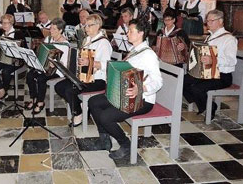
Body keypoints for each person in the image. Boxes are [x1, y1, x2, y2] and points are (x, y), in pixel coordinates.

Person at [88, 19, 163, 160]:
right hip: (124, 94)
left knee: (106, 116)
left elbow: (158, 81)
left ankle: (126, 144)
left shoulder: (148, 55)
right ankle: (104, 140)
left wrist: (140, 89)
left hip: (142, 100)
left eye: (130, 31)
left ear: (141, 33)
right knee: (93, 102)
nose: (127, 33)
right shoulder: (134, 50)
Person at [55, 14, 112, 127]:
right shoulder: (87, 40)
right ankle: (80, 106)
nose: (86, 28)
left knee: (69, 90)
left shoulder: (103, 43)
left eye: (89, 26)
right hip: (85, 77)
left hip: (98, 80)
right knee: (59, 86)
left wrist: (90, 63)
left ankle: (78, 113)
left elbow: (108, 65)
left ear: (97, 26)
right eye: (85, 26)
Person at [183, 9, 237, 119]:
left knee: (197, 88)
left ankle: (210, 106)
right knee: (182, 81)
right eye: (207, 21)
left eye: (211, 21)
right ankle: (201, 103)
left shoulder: (229, 39)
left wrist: (213, 60)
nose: (208, 23)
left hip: (222, 76)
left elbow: (232, 60)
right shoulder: (210, 36)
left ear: (221, 21)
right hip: (207, 71)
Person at [25, 18, 69, 114]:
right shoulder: (48, 39)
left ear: (60, 30)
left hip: (57, 71)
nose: (51, 31)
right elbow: (42, 51)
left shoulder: (65, 45)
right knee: (29, 75)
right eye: (50, 28)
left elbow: (65, 65)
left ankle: (40, 102)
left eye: (54, 29)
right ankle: (34, 98)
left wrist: (55, 64)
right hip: (44, 67)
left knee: (41, 79)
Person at [0, 14, 26, 100]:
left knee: (5, 72)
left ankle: (4, 89)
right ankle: (1, 90)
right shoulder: (1, 34)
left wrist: (17, 46)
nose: (4, 25)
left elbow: (25, 49)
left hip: (15, 60)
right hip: (2, 59)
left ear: (11, 23)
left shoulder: (18, 34)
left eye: (6, 23)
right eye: (3, 23)